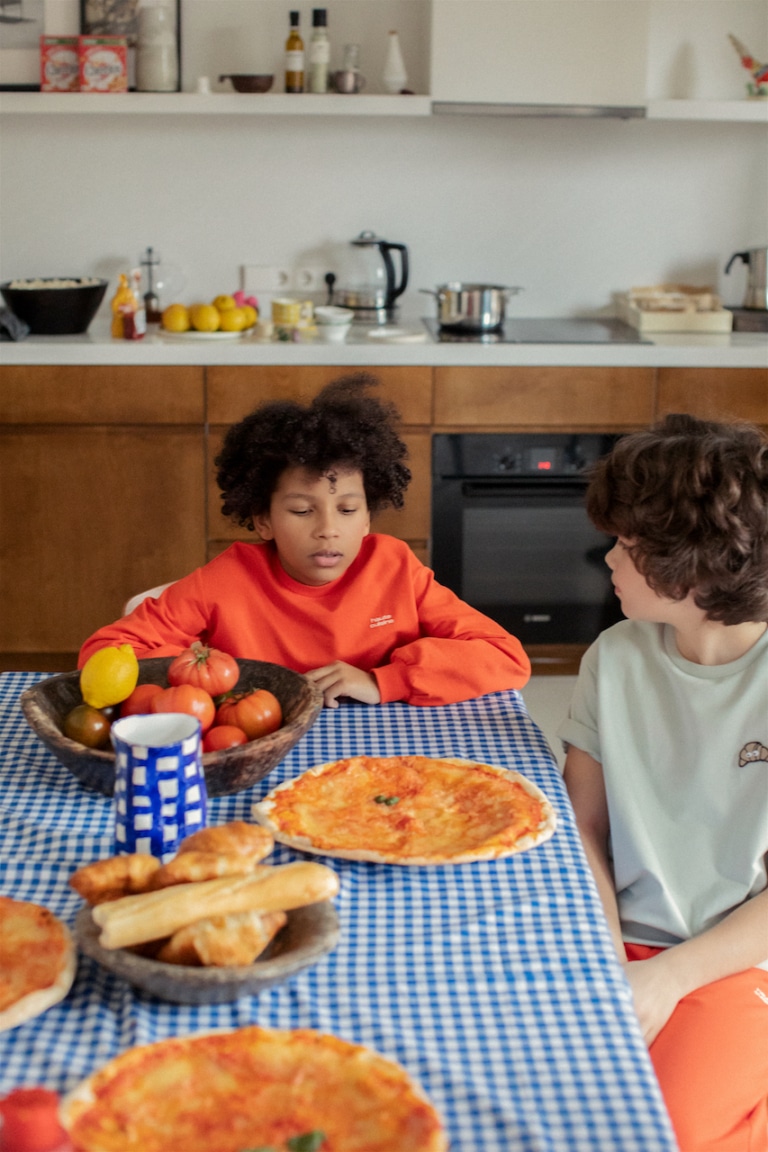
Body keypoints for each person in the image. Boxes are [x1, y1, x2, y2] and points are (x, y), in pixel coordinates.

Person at [558, 413, 768, 1152]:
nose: (608, 557)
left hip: (737, 956)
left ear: (696, 566)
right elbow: (583, 828)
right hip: (616, 938)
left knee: (656, 1134)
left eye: (630, 544)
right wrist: (612, 959)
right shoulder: (613, 658)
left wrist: (670, 979)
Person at [79, 373, 530, 708]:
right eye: (301, 510)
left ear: (369, 517)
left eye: (348, 510)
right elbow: (104, 654)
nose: (328, 528)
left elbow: (504, 657)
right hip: (257, 752)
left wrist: (382, 681)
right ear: (263, 520)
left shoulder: (396, 568)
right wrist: (212, 678)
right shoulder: (226, 579)